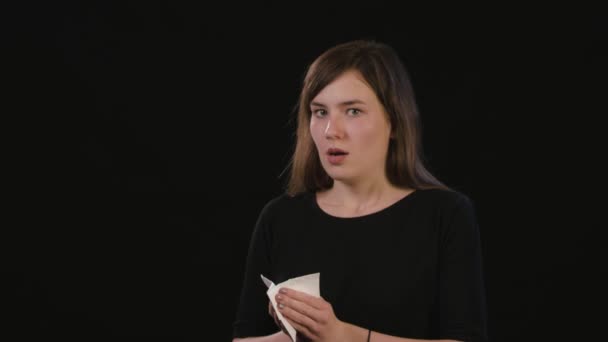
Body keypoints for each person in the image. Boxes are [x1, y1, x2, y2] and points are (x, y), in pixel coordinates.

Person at [231, 39, 488, 342]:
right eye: (320, 112)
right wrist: (296, 333)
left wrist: (341, 335)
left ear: (394, 122)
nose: (331, 131)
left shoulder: (445, 215)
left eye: (352, 111)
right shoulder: (280, 217)